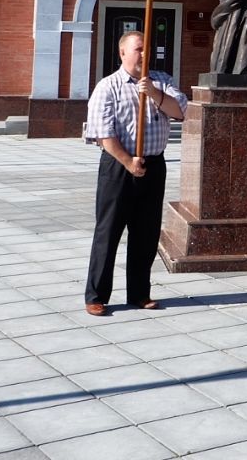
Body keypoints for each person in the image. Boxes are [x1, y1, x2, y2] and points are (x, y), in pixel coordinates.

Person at [83, 30, 188, 317]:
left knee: (146, 233)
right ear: (122, 53)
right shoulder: (108, 86)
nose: (144, 54)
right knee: (108, 232)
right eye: (138, 49)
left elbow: (180, 111)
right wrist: (128, 161)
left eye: (147, 49)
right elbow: (103, 133)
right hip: (118, 167)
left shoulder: (162, 81)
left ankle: (140, 292)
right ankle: (96, 295)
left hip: (154, 166)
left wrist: (153, 93)